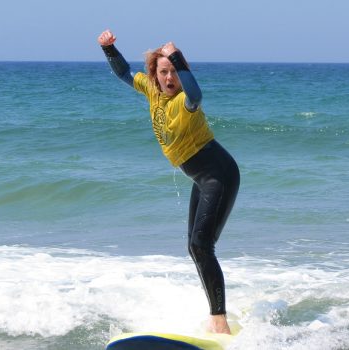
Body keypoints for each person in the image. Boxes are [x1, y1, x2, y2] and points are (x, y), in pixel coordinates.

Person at [97, 29, 240, 334]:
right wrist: (109, 49)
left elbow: (197, 95)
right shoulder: (152, 91)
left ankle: (220, 323)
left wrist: (176, 55)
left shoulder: (185, 102)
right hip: (201, 179)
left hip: (219, 174)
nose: (170, 78)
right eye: (164, 71)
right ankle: (216, 316)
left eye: (175, 71)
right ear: (155, 74)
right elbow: (123, 73)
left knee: (202, 245)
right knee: (194, 247)